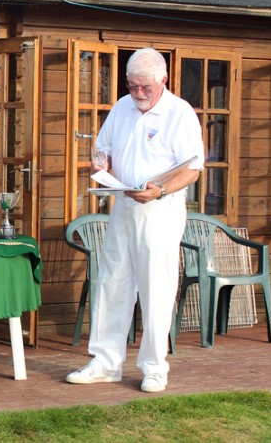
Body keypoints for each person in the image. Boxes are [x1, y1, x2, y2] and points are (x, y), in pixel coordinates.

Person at [66, 47, 204, 393]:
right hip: (123, 205)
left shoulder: (180, 113)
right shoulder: (121, 107)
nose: (139, 94)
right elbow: (103, 148)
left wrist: (159, 190)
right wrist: (101, 163)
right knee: (112, 282)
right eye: (132, 87)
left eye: (146, 87)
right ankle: (105, 362)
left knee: (156, 287)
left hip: (160, 209)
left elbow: (192, 169)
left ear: (163, 80)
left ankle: (155, 368)